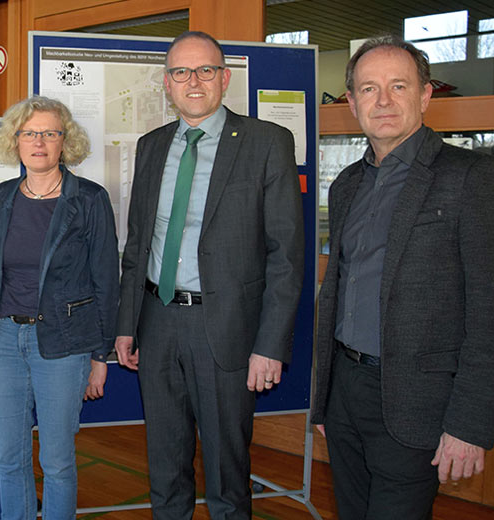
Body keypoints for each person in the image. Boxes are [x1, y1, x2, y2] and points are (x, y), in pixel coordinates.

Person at [310, 35, 494, 519]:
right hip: (346, 396)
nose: (383, 101)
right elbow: (340, 291)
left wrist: (469, 425)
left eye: (398, 86)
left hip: (417, 403)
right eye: (368, 88)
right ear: (352, 103)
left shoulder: (473, 178)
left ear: (424, 96)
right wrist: (325, 400)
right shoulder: (347, 185)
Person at [114, 31, 304, 519]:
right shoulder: (151, 146)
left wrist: (270, 344)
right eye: (181, 72)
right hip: (157, 323)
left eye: (204, 71)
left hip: (228, 330)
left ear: (224, 79)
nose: (192, 81)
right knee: (165, 464)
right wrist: (126, 324)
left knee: (226, 472)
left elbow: (286, 255)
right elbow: (138, 244)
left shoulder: (267, 142)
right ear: (167, 84)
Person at [0, 95, 119, 519]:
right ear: (15, 141)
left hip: (62, 344)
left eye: (50, 133)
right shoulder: (0, 197)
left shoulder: (89, 199)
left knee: (57, 463)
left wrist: (101, 355)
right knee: (9, 459)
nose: (39, 142)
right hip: (4, 339)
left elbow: (106, 281)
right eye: (29, 133)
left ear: (65, 141)